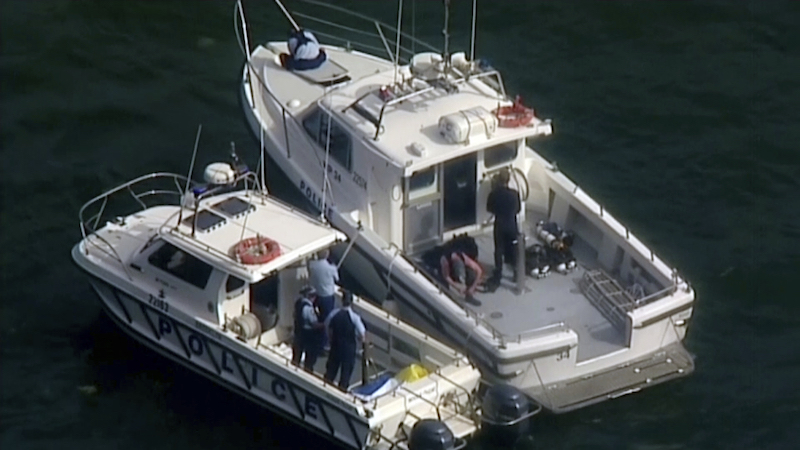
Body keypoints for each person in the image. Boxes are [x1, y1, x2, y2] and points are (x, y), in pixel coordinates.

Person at [324, 291, 366, 391]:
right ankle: (342, 391)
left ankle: (325, 388)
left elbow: (327, 325)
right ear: (351, 302)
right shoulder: (355, 317)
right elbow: (362, 334)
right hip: (349, 349)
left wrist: (330, 338)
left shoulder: (334, 314)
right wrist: (360, 340)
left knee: (331, 371)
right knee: (346, 374)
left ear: (342, 300)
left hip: (335, 346)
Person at [486, 168, 521, 283]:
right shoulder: (514, 194)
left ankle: (498, 271)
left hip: (499, 225)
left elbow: (489, 208)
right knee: (514, 248)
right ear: (508, 180)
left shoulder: (493, 194)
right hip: (512, 224)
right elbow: (518, 209)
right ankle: (516, 273)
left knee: (499, 249)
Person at [308, 249, 339, 348]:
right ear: (327, 255)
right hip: (327, 296)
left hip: (316, 295)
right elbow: (337, 278)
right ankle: (324, 343)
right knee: (327, 319)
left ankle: (315, 336)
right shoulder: (331, 268)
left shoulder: (312, 266)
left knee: (317, 317)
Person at [292, 286, 324, 372]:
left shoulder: (298, 303)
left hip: (298, 333)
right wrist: (324, 325)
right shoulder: (308, 308)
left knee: (296, 356)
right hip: (308, 336)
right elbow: (313, 323)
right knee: (310, 359)